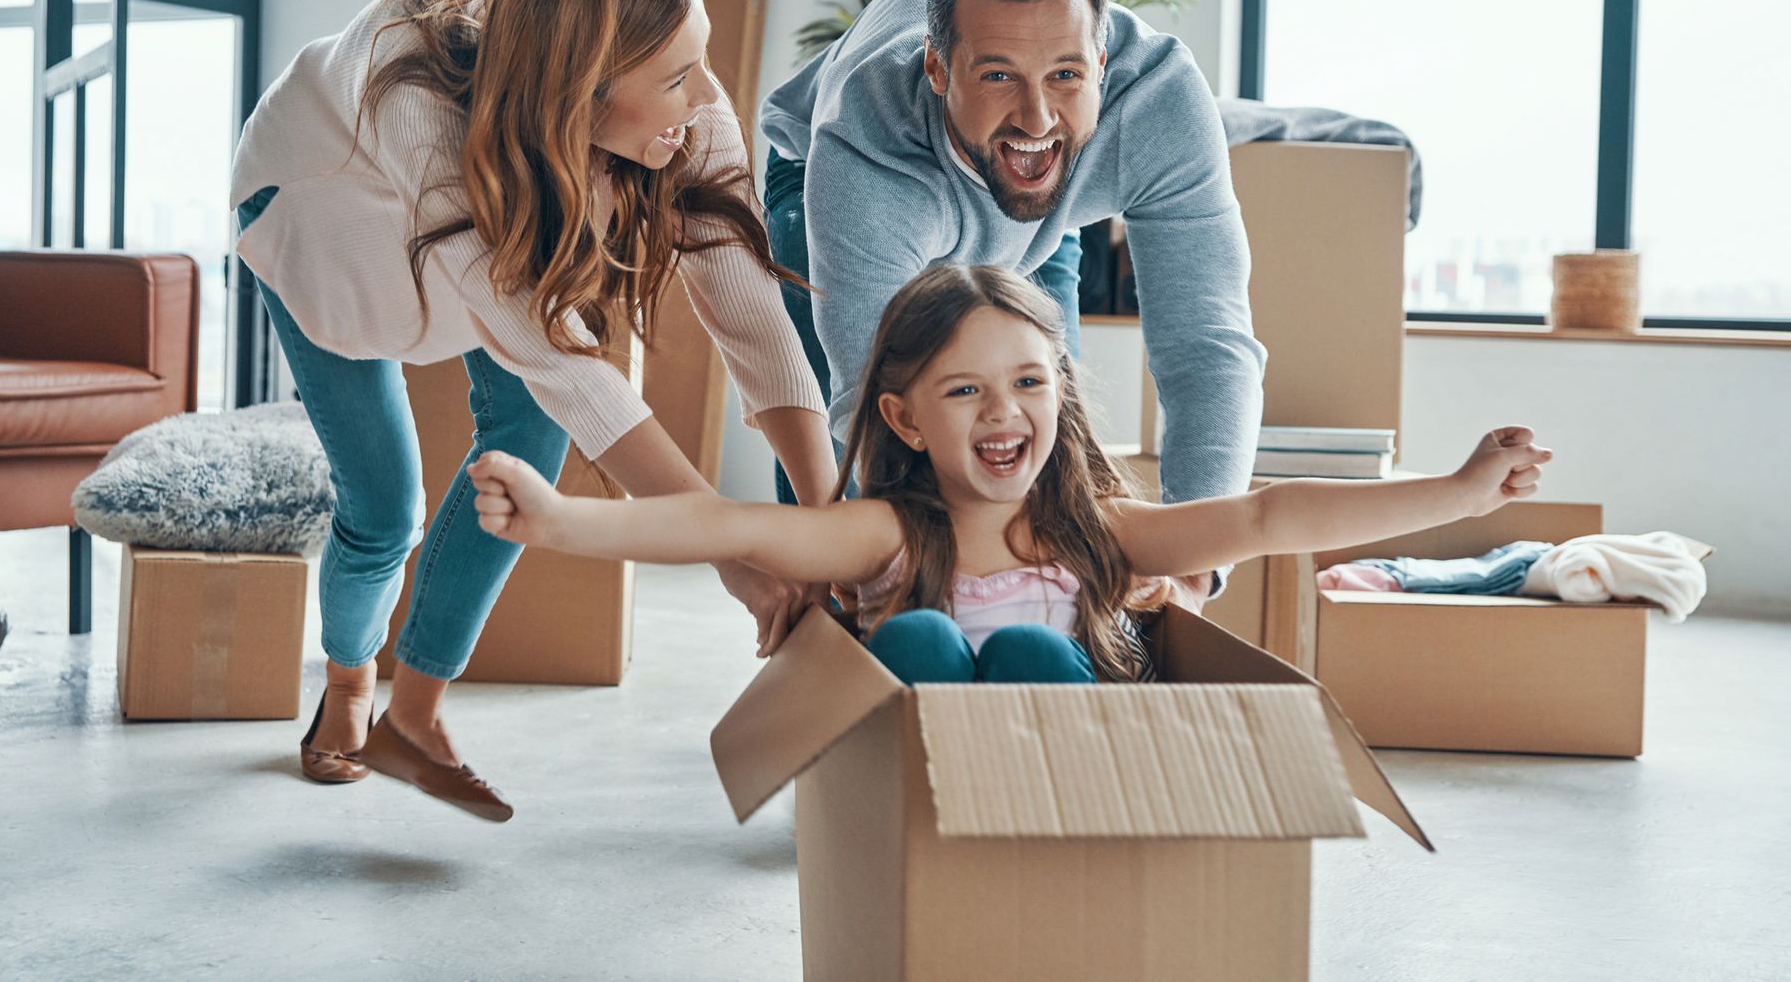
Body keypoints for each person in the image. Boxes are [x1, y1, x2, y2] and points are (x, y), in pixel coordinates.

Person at [230, 0, 837, 821]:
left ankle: (418, 717)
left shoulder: (682, 116)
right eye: (678, 78)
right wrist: (736, 554)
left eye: (700, 59)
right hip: (324, 235)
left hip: (478, 245)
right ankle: (350, 680)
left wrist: (825, 529)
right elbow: (572, 367)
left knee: (529, 448)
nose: (709, 98)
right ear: (583, 93)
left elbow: (753, 318)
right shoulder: (421, 111)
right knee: (384, 507)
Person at [466, 265, 1553, 685]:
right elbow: (733, 530)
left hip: (1061, 795)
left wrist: (1458, 495)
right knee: (923, 638)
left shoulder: (1102, 535)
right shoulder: (888, 531)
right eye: (965, 391)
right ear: (902, 416)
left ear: (1061, 395)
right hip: (917, 801)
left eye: (1030, 383)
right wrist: (564, 522)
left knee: (1036, 644)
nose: (1004, 413)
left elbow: (1270, 514)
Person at [760, 0, 1267, 612]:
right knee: (842, 487)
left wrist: (1190, 573)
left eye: (1066, 75)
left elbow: (1207, 347)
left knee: (1052, 434)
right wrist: (923, 585)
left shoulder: (1159, 105)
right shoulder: (865, 142)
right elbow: (873, 404)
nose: (1036, 115)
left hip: (1038, 208)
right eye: (999, 74)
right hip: (824, 177)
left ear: (1103, 60)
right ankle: (825, 634)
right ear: (938, 68)